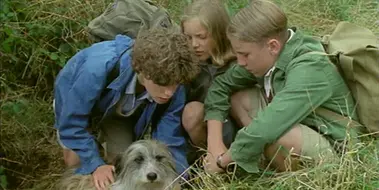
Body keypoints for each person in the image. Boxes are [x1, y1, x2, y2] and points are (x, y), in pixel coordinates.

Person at [203, 0, 362, 173]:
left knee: (279, 138)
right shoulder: (268, 55)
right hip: (296, 124)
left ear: (273, 46)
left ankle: (279, 173)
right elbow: (221, 85)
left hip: (332, 141)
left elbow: (267, 128)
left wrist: (221, 161)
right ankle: (260, 156)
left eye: (245, 54)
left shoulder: (310, 68)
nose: (240, 63)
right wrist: (214, 145)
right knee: (239, 98)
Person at [53, 28, 200, 189]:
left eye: (176, 84)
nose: (169, 92)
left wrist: (177, 177)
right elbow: (71, 123)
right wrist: (95, 165)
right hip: (75, 102)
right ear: (142, 71)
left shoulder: (172, 76)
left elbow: (168, 139)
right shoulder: (97, 69)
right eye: (163, 84)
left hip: (121, 112)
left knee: (124, 164)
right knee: (78, 163)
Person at [179, 0, 238, 163]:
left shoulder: (238, 60)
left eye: (201, 37)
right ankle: (207, 160)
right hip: (202, 130)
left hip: (234, 128)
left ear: (219, 33)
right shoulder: (185, 63)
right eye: (188, 37)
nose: (194, 44)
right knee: (192, 112)